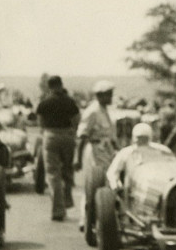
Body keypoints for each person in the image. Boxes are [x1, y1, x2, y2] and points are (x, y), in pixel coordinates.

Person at [35, 76, 80, 221]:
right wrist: (72, 132)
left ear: (49, 87)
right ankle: (67, 200)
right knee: (67, 170)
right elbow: (76, 120)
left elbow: (40, 122)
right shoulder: (69, 101)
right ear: (61, 85)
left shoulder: (45, 103)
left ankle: (58, 210)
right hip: (67, 135)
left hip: (51, 136)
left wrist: (46, 133)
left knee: (53, 174)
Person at [77, 80, 120, 232]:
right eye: (108, 94)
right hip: (94, 150)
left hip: (106, 150)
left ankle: (101, 217)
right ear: (100, 95)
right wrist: (77, 158)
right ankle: (85, 219)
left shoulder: (105, 110)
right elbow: (82, 135)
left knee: (106, 183)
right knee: (92, 184)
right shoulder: (92, 111)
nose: (110, 97)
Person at [106, 123, 173, 193]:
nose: (141, 141)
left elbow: (172, 167)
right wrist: (115, 184)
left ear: (150, 138)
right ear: (134, 137)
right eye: (139, 138)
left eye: (144, 138)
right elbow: (112, 172)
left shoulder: (162, 150)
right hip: (133, 188)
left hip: (157, 185)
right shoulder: (126, 152)